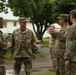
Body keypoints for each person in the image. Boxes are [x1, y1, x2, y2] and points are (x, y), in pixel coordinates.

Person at [64, 9, 76, 75]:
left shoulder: (72, 28)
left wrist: (67, 58)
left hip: (73, 58)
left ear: (71, 17)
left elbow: (70, 43)